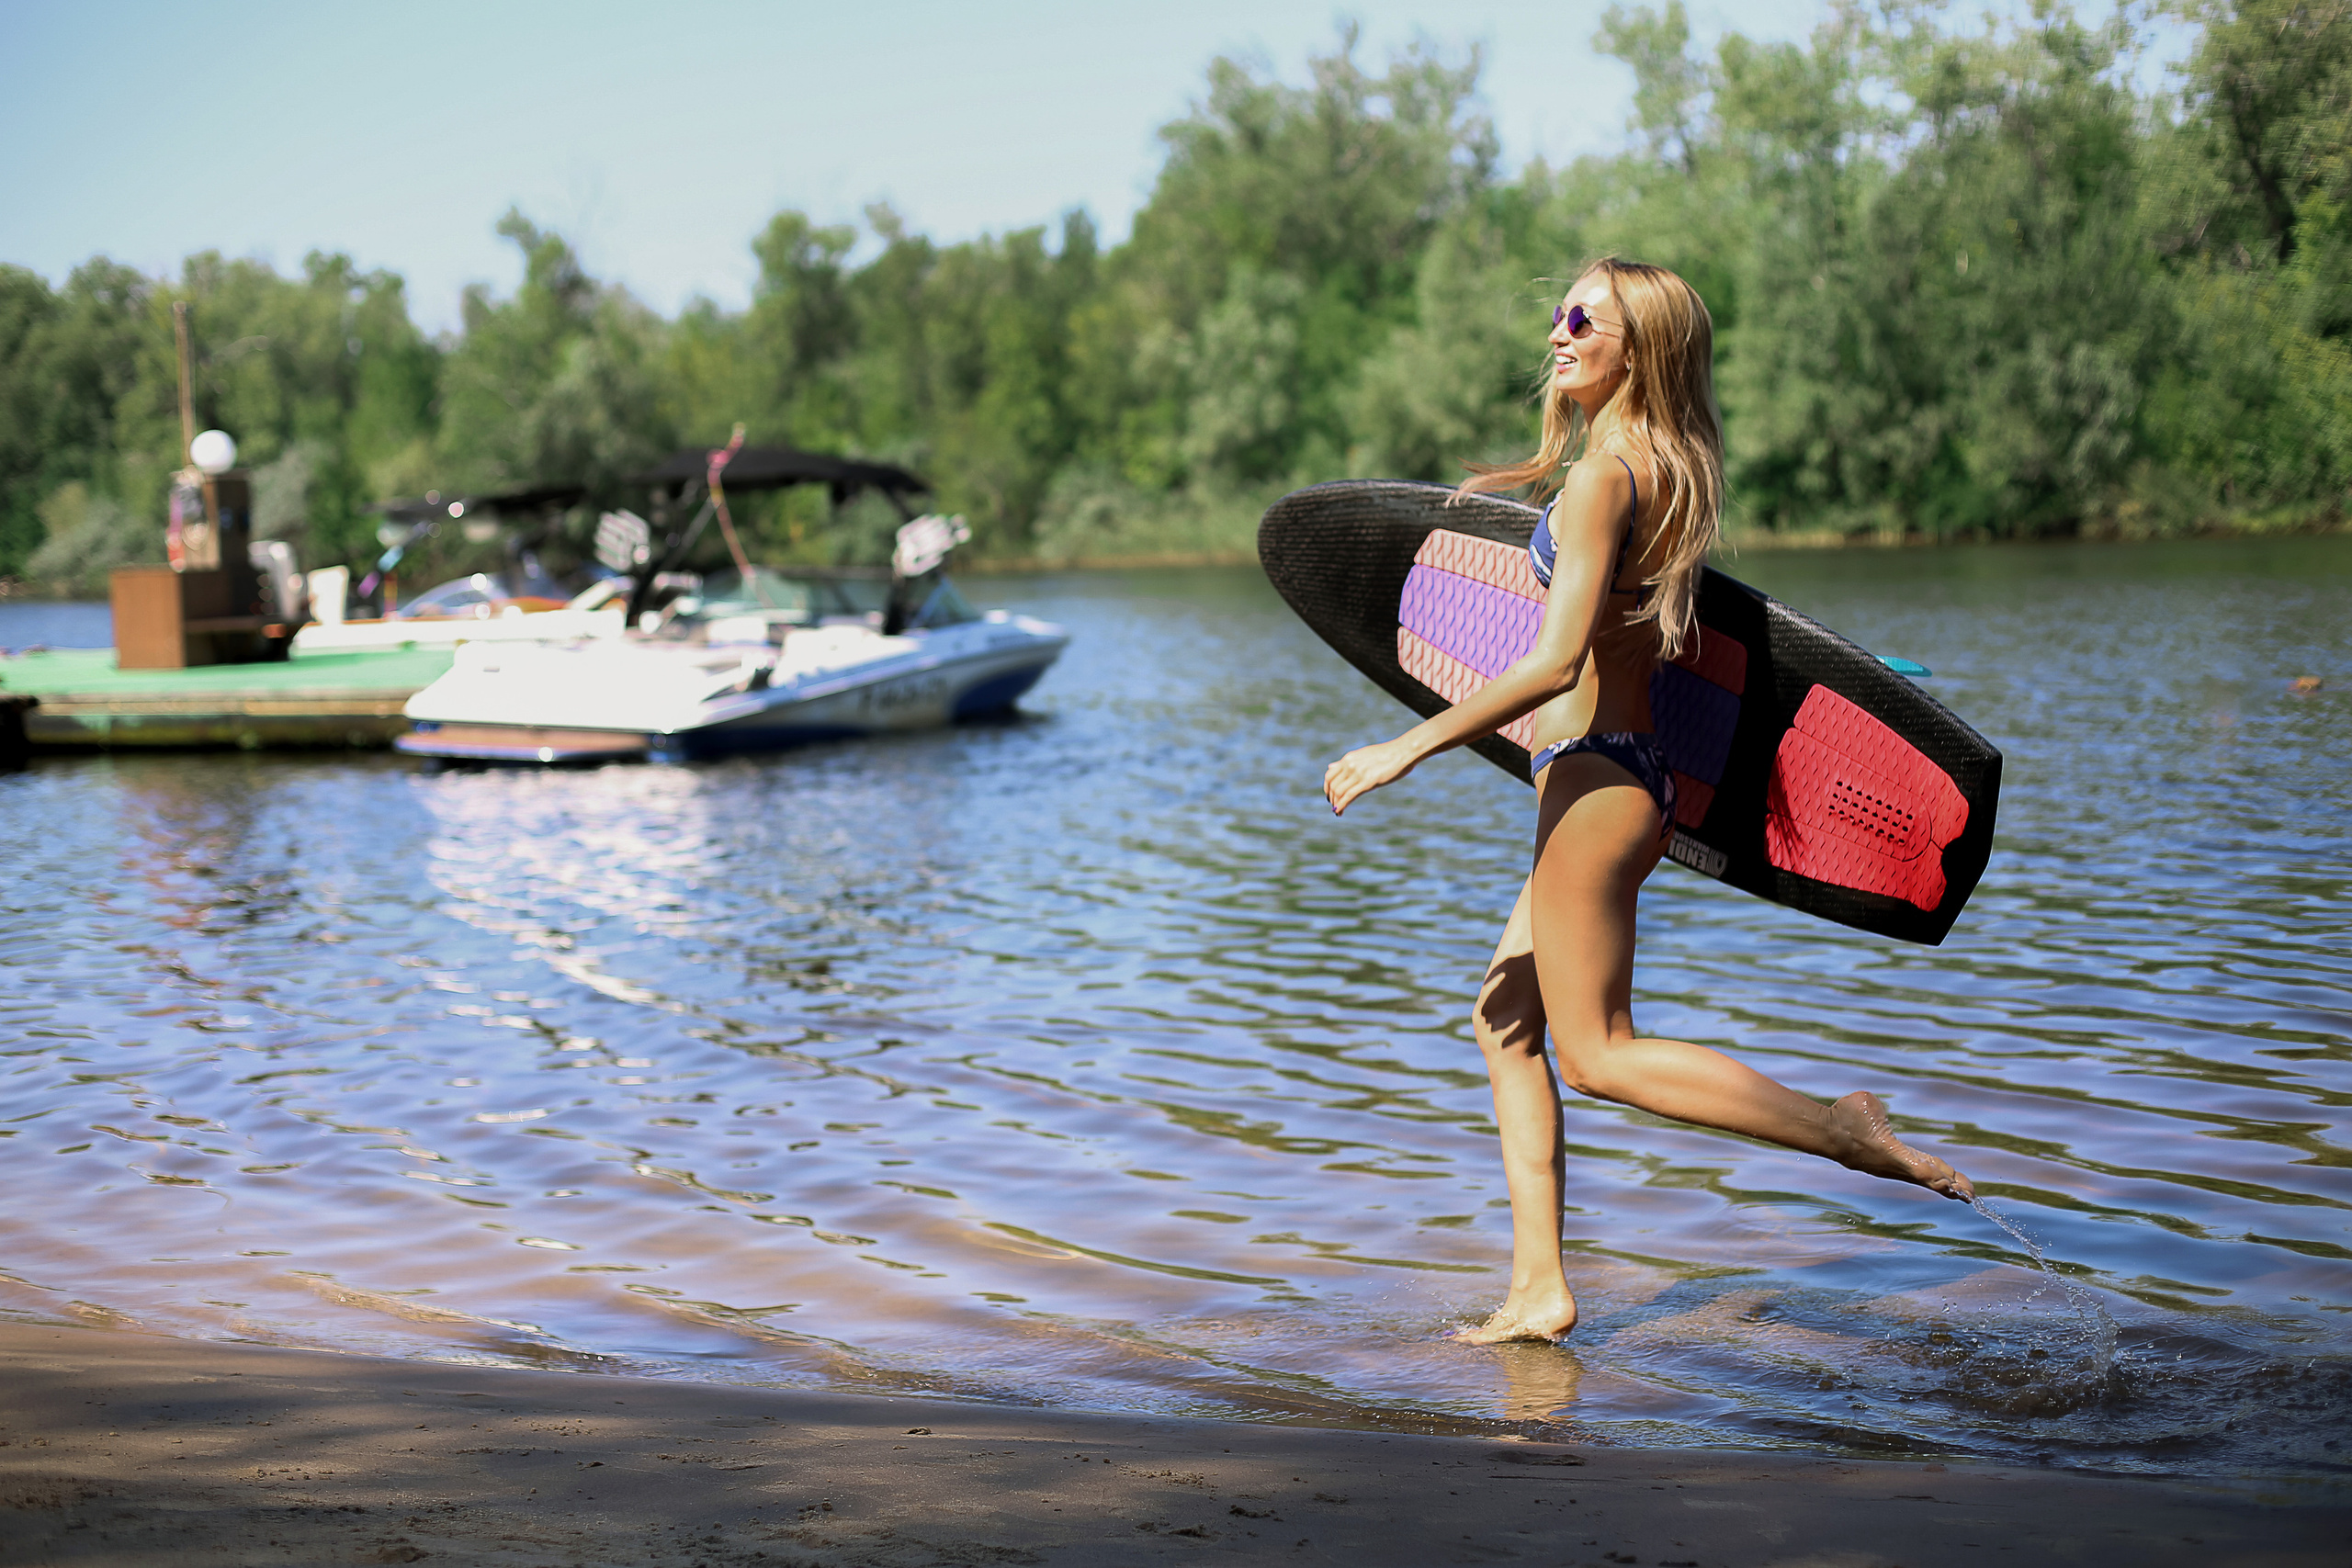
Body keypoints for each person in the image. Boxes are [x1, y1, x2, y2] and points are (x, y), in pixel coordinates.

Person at [1320, 257, 1973, 1345]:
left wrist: (1407, 745)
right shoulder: (1665, 471)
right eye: (1560, 311)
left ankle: (1840, 1130)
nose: (1559, 331)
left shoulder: (1602, 481)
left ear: (1641, 351)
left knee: (1598, 1052)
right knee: (1504, 1022)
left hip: (1592, 779)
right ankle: (1539, 1289)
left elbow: (1552, 659)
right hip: (1627, 775)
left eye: (1585, 320)